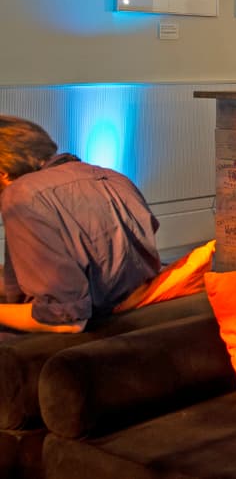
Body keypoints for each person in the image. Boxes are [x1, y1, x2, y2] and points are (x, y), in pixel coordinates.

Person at [0, 117, 160, 334]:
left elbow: (65, 320)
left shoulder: (22, 195)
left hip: (85, 334)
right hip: (140, 314)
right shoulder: (110, 176)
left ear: (3, 172)